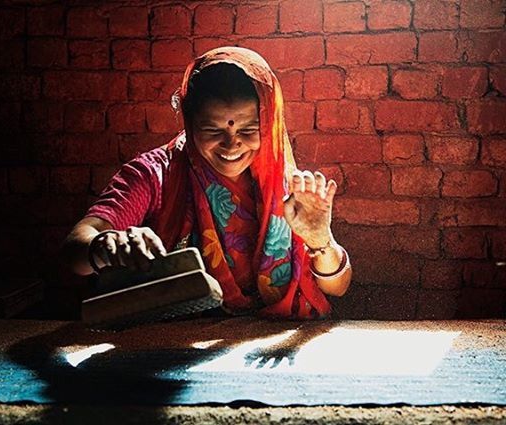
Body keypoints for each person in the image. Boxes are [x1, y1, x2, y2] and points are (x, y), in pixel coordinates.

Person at [62, 46, 352, 320]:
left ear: (269, 123)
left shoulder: (286, 185)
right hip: (178, 345)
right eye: (212, 129)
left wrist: (320, 241)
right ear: (189, 121)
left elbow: (337, 288)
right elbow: (76, 248)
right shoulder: (156, 175)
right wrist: (104, 245)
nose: (231, 144)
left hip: (268, 350)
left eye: (249, 129)